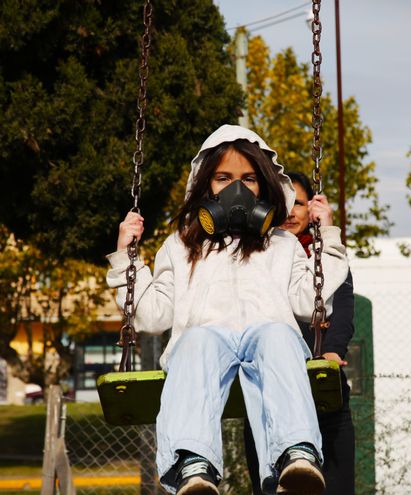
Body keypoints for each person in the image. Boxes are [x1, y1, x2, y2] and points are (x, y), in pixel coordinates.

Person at [107, 125, 350, 495]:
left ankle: (295, 453)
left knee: (277, 334)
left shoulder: (282, 245)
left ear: (264, 186)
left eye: (248, 179)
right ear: (205, 185)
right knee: (196, 340)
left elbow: (310, 304)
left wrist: (326, 236)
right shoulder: (181, 246)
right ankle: (194, 465)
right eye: (223, 178)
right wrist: (126, 255)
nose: (237, 189)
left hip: (267, 345)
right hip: (204, 350)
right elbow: (152, 315)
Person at [243, 171, 356, 494]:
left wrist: (333, 351)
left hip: (322, 387)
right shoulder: (256, 256)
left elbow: (343, 310)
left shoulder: (326, 257)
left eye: (299, 203)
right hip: (268, 392)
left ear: (312, 209)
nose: (291, 212)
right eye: (283, 203)